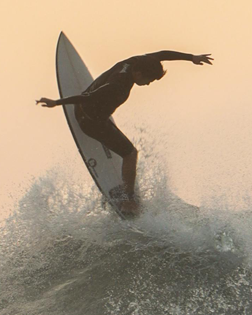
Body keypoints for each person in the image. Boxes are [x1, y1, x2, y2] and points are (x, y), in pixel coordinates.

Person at [37, 50, 213, 214]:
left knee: (123, 144)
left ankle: (126, 190)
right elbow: (89, 98)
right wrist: (56, 102)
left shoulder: (136, 61)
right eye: (149, 79)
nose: (149, 83)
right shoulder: (119, 84)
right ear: (138, 74)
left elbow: (162, 54)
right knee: (130, 153)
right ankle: (127, 199)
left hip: (95, 113)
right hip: (90, 122)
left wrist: (192, 58)